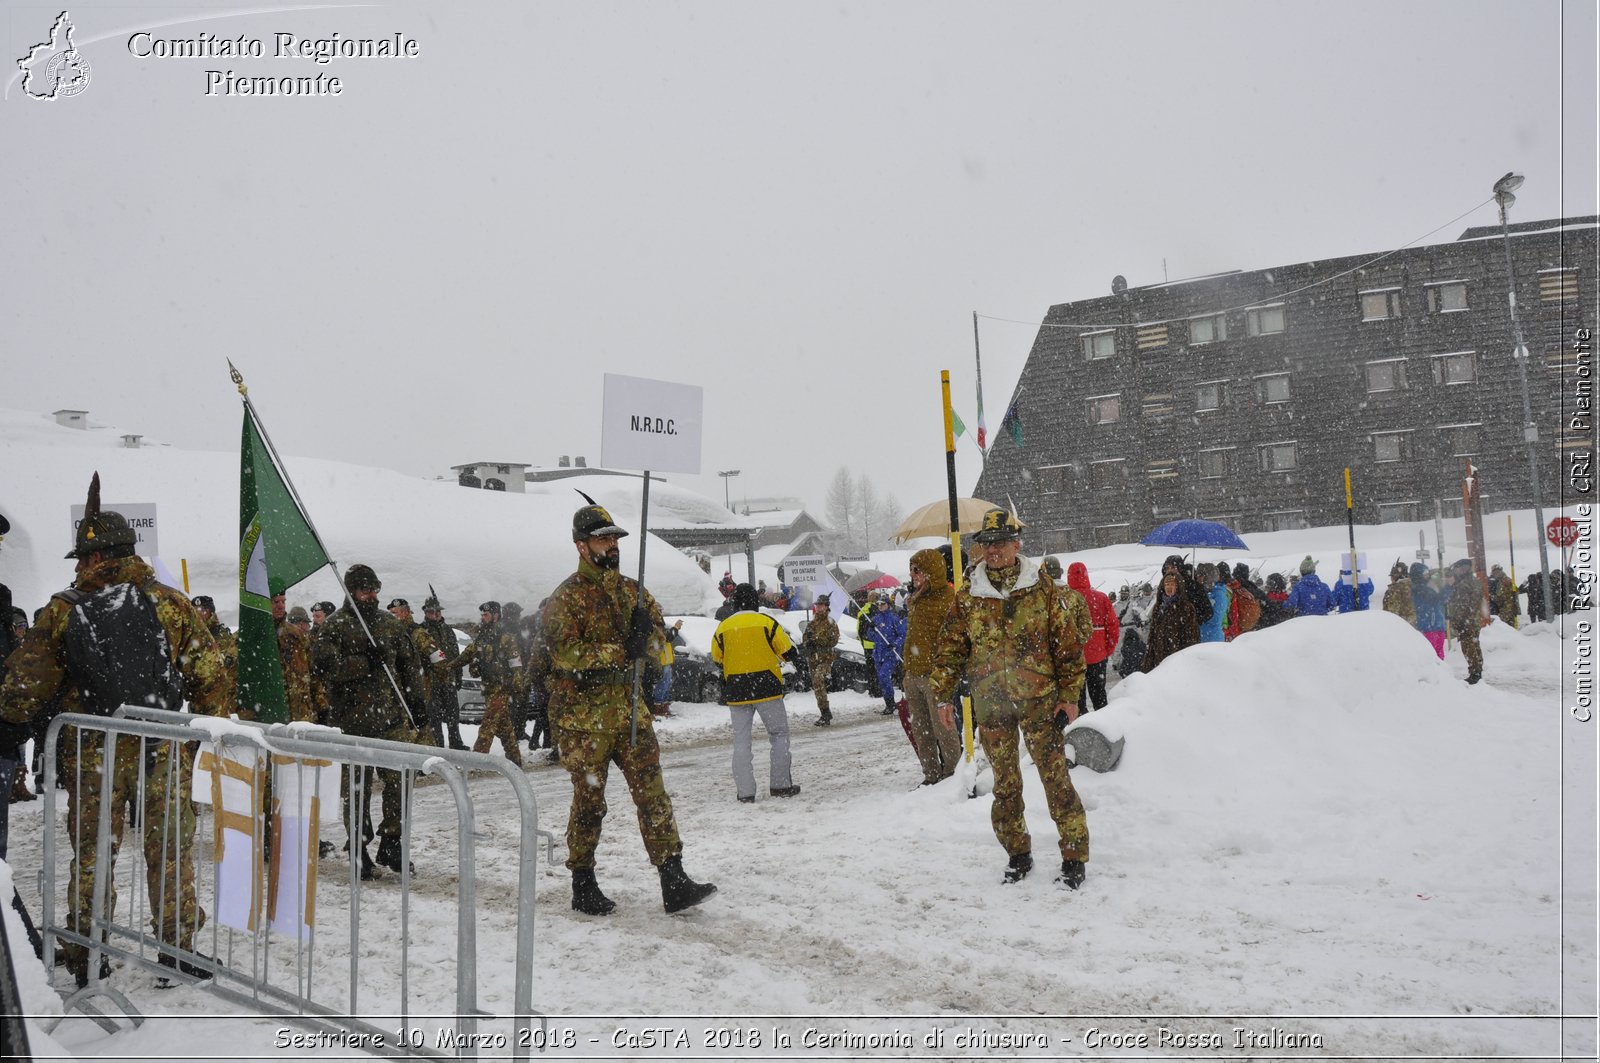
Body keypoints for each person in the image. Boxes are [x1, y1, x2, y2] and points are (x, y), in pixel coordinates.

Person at [0, 473, 230, 986]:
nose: (79, 567)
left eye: (83, 558)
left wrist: (11, 724)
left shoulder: (64, 608)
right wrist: (194, 737)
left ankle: (86, 951)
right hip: (161, 748)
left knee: (93, 854)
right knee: (169, 852)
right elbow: (212, 674)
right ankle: (176, 948)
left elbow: (24, 685)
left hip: (93, 749)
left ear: (98, 556)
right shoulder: (170, 601)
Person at [540, 504, 716, 915]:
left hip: (630, 712)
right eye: (603, 539)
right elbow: (565, 654)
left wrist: (648, 639)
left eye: (616, 538)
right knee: (590, 801)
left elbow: (658, 642)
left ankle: (673, 878)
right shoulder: (566, 598)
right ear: (582, 546)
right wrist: (621, 649)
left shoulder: (632, 591)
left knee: (653, 795)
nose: (613, 546)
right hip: (585, 718)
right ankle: (583, 881)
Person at [930, 509, 1089, 889]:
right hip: (993, 704)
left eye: (1001, 542)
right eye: (987, 544)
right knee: (1005, 783)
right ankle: (1017, 852)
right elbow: (951, 647)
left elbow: (1067, 646)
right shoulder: (969, 595)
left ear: (1017, 544)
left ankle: (1074, 855)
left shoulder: (1043, 588)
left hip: (1040, 702)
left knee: (1056, 780)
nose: (994, 550)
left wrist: (1069, 695)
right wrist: (941, 696)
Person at [309, 564, 425, 878]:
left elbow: (409, 665)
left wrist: (417, 699)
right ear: (351, 591)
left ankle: (392, 840)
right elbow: (322, 667)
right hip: (352, 723)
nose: (371, 595)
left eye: (375, 589)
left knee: (401, 779)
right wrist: (362, 662)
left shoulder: (390, 625)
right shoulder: (336, 626)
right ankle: (359, 848)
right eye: (365, 590)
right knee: (357, 791)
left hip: (390, 720)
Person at [711, 583, 800, 804]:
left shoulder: (723, 627)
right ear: (755, 601)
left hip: (737, 690)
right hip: (767, 687)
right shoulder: (767, 623)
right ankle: (780, 785)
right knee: (778, 735)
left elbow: (716, 657)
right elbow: (788, 651)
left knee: (741, 741)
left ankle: (745, 792)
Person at [902, 550, 961, 784]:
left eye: (917, 570)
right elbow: (912, 637)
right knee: (921, 731)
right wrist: (907, 669)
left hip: (935, 676)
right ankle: (931, 775)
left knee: (943, 730)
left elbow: (953, 640)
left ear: (930, 572)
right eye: (911, 569)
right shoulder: (916, 598)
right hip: (913, 674)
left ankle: (953, 776)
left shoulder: (948, 598)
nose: (912, 574)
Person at [455, 601, 524, 766]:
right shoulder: (482, 636)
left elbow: (516, 663)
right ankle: (515, 760)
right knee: (504, 727)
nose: (483, 618)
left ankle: (477, 760)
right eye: (482, 615)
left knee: (488, 723)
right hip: (488, 687)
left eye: (486, 615)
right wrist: (451, 665)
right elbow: (469, 653)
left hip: (501, 687)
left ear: (496, 615)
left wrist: (517, 685)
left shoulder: (506, 637)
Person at [387, 598, 444, 746]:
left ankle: (426, 758)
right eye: (391, 613)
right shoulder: (391, 632)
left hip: (417, 686)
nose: (392, 616)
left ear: (405, 613)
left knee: (418, 723)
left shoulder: (417, 633)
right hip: (398, 686)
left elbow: (438, 657)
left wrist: (439, 680)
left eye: (395, 613)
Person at [1065, 562, 1119, 714]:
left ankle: (1082, 731)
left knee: (1078, 702)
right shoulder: (1100, 598)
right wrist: (1107, 649)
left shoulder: (1063, 600)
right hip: (1098, 657)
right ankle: (1105, 729)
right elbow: (1113, 626)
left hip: (1074, 659)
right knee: (1100, 698)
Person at [418, 595, 467, 750]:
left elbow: (455, 653)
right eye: (432, 611)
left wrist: (458, 675)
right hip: (432, 681)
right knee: (434, 716)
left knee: (453, 714)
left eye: (437, 611)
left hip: (449, 679)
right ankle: (438, 745)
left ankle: (456, 742)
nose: (436, 614)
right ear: (426, 613)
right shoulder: (422, 631)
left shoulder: (448, 630)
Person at [1142, 570, 1201, 672]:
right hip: (1158, 657)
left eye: (1172, 584)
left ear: (1178, 586)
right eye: (1167, 584)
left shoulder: (1186, 607)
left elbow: (1192, 637)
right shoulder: (1158, 607)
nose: (1169, 587)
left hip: (1177, 658)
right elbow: (1152, 635)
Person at [1444, 559, 1485, 684]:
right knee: (1472, 646)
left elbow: (1466, 604)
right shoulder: (1467, 581)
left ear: (1463, 569)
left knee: (1469, 647)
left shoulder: (1467, 583)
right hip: (1468, 620)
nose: (1456, 571)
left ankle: (1475, 674)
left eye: (1458, 568)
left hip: (1468, 621)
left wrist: (1460, 618)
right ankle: (1476, 671)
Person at [866, 595, 906, 716]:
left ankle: (891, 703)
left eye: (883, 604)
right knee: (881, 680)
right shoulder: (876, 619)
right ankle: (889, 703)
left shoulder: (893, 618)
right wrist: (871, 628)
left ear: (888, 605)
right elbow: (870, 636)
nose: (880, 606)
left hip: (890, 655)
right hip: (878, 654)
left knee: (884, 676)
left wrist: (895, 644)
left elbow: (902, 635)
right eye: (879, 604)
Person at [1410, 562, 1452, 660]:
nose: (1427, 575)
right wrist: (1448, 587)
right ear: (1418, 575)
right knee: (1432, 655)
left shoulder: (1428, 586)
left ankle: (1441, 673)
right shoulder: (1419, 588)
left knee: (1439, 652)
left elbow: (1440, 600)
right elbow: (1437, 599)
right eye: (1425, 573)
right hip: (1428, 627)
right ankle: (1436, 673)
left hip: (1436, 624)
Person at [652, 619, 684, 718]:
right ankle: (659, 706)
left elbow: (669, 637)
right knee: (662, 684)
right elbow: (668, 637)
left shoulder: (660, 629)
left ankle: (664, 706)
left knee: (666, 684)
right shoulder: (656, 630)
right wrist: (675, 628)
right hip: (662, 662)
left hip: (667, 661)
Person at [1197, 563, 1230, 643]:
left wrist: (1199, 615)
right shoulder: (1205, 592)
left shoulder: (1219, 594)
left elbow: (1216, 619)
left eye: (1201, 576)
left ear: (1209, 577)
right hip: (1204, 637)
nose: (1199, 578)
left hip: (1212, 639)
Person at [1381, 561, 1416, 627]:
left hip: (1399, 627)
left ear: (1397, 576)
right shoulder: (1413, 586)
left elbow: (1392, 613)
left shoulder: (1394, 590)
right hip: (1413, 626)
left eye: (1392, 576)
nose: (1391, 579)